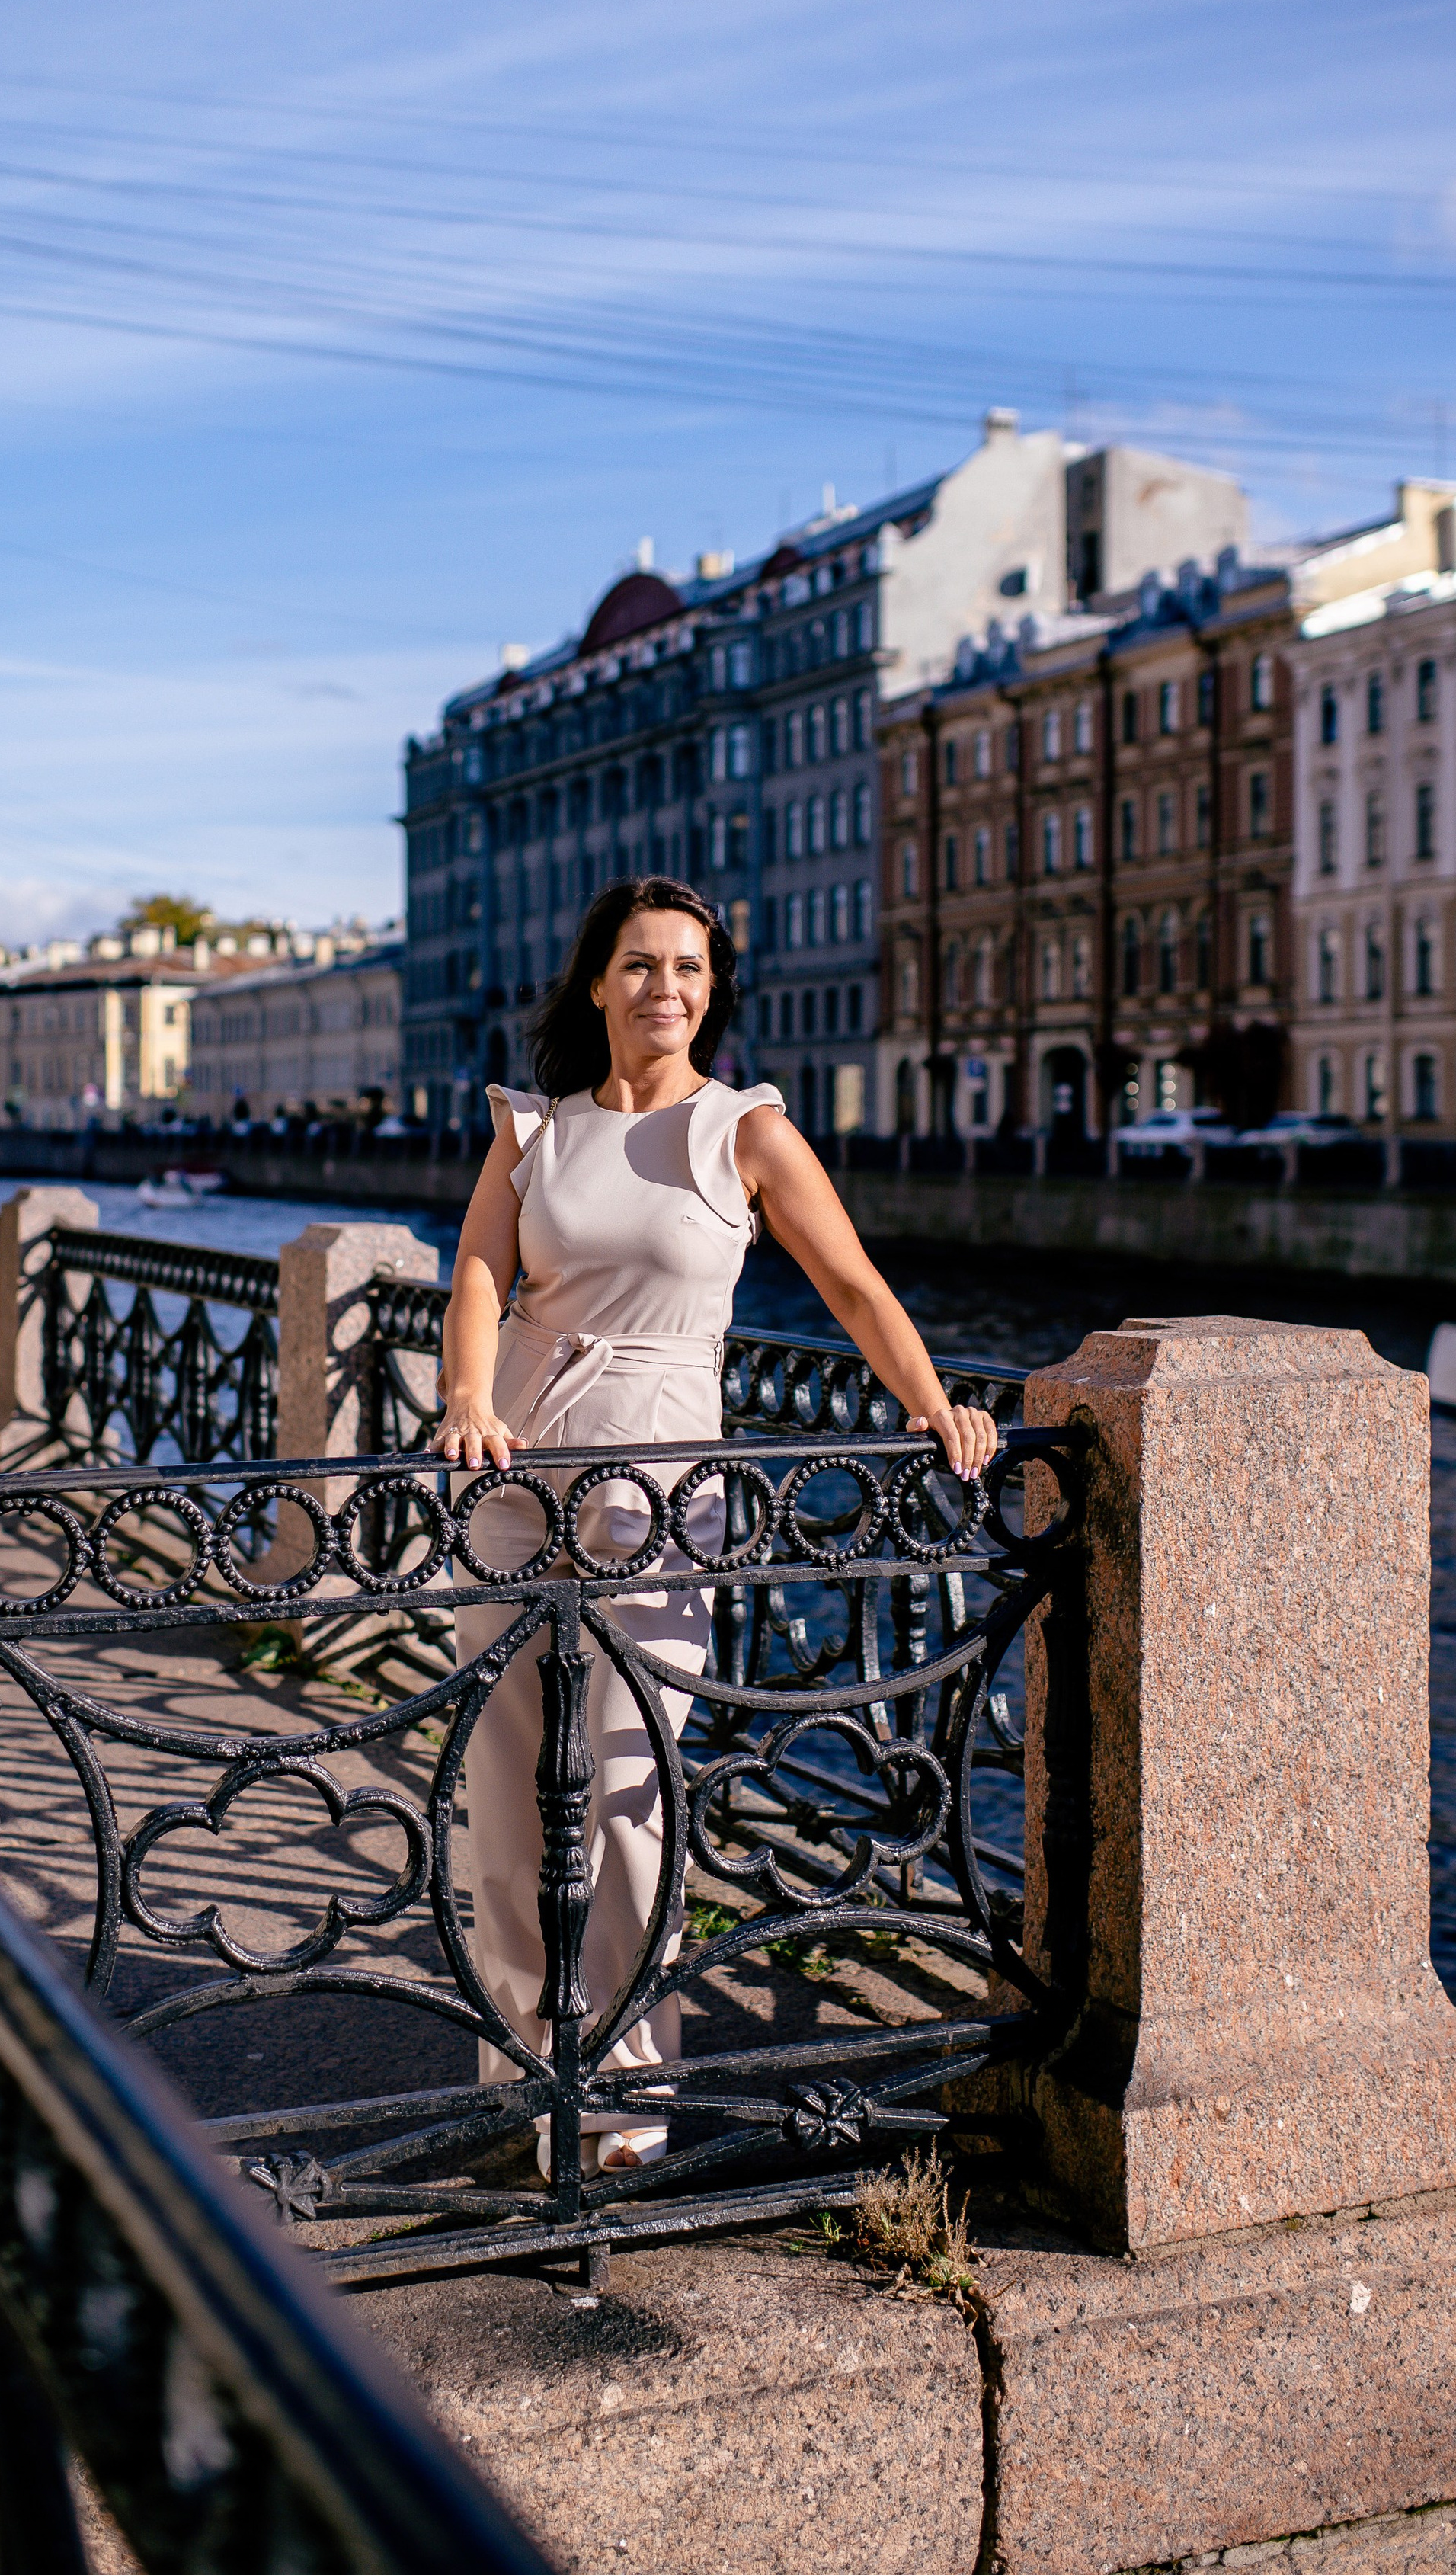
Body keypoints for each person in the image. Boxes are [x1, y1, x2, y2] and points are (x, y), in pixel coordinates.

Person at [437, 875, 1000, 2174]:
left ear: (712, 991)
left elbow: (852, 1286)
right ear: (597, 982)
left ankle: (626, 2093)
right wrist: (465, 1396)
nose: (666, 989)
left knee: (629, 1787)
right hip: (516, 1464)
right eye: (641, 965)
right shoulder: (535, 1129)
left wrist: (936, 1406)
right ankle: (525, 2068)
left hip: (657, 1482)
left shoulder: (744, 1130)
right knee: (505, 1789)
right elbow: (477, 1273)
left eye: (689, 968)